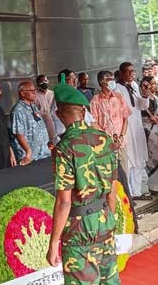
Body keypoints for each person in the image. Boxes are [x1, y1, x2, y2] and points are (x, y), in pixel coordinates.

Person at [46, 81, 118, 284]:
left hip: (79, 228)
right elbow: (112, 190)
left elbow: (64, 202)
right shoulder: (104, 139)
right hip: (105, 217)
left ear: (59, 115)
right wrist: (109, 220)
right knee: (109, 279)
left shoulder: (64, 148)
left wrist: (54, 243)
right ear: (84, 111)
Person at [115, 62, 152, 199]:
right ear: (122, 73)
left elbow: (142, 107)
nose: (131, 74)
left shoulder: (135, 86)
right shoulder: (117, 90)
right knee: (129, 162)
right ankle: (128, 194)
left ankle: (137, 192)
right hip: (126, 129)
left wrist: (145, 95)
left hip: (137, 128)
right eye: (128, 71)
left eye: (132, 71)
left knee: (138, 161)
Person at [10, 81, 51, 164]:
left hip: (43, 153)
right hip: (31, 158)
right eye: (31, 91)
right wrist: (28, 152)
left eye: (35, 90)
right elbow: (19, 134)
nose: (34, 92)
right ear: (22, 93)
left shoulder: (33, 106)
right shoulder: (18, 111)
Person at [35, 75, 57, 143]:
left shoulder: (53, 94)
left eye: (45, 81)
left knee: (55, 141)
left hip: (54, 123)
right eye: (41, 82)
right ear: (37, 84)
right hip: (41, 124)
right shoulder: (35, 95)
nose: (44, 83)